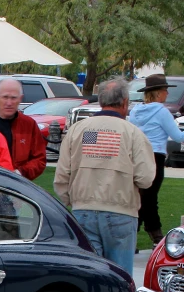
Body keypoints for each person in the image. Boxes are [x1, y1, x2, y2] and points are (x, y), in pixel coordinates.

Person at [54, 76, 155, 278]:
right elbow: (145, 178)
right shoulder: (133, 133)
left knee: (90, 278)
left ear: (100, 101)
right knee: (120, 280)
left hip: (83, 211)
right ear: (125, 102)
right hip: (121, 213)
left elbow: (62, 176)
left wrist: (73, 201)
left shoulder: (78, 131)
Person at [128, 74, 184, 246]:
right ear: (159, 93)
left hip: (136, 156)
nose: (167, 93)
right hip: (155, 156)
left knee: (139, 196)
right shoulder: (162, 112)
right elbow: (177, 136)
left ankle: (132, 236)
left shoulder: (135, 111)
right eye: (165, 90)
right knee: (150, 198)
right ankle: (156, 236)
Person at [0, 78, 47, 180]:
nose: (9, 102)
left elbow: (39, 160)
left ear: (21, 98)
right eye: (5, 97)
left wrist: (20, 172)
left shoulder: (29, 125)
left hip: (18, 185)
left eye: (13, 98)